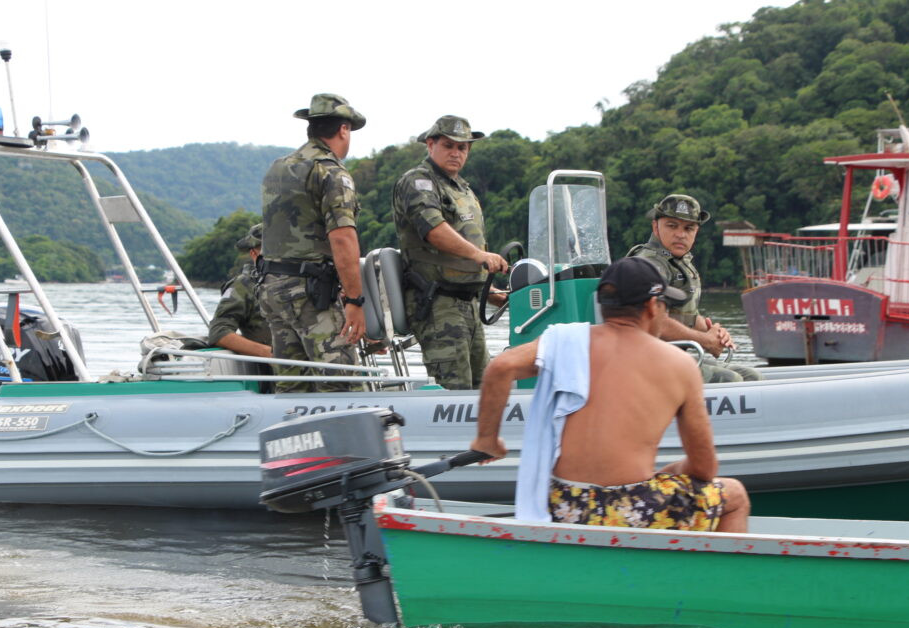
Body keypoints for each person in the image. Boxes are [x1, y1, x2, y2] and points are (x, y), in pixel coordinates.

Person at [471, 257, 750, 533]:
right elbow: (704, 468)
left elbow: (500, 367)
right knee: (735, 495)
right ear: (653, 307)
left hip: (562, 504)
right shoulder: (680, 365)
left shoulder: (564, 341)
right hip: (631, 508)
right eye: (665, 306)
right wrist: (670, 471)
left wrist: (487, 440)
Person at [258, 93, 367, 393]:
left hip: (272, 289)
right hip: (310, 294)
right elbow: (343, 239)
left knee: (292, 386)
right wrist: (355, 301)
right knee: (341, 383)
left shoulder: (278, 168)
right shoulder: (331, 172)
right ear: (343, 129)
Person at [392, 115, 508, 390]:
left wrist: (489, 292)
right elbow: (433, 229)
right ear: (430, 145)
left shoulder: (462, 188)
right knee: (456, 390)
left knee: (486, 386)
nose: (456, 153)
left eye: (463, 147)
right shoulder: (418, 182)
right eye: (449, 145)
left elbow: (464, 248)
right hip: (437, 303)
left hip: (468, 302)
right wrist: (481, 257)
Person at [627, 194, 762, 383]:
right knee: (730, 380)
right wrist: (704, 340)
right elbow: (653, 319)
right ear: (655, 227)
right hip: (647, 361)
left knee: (751, 376)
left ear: (696, 232)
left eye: (688, 228)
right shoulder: (649, 264)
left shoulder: (679, 261)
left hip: (671, 356)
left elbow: (684, 314)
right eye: (672, 226)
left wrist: (714, 333)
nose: (681, 234)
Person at [206, 223, 273, 358]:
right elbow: (219, 331)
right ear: (254, 254)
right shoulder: (244, 285)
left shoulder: (306, 280)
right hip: (281, 371)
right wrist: (269, 353)